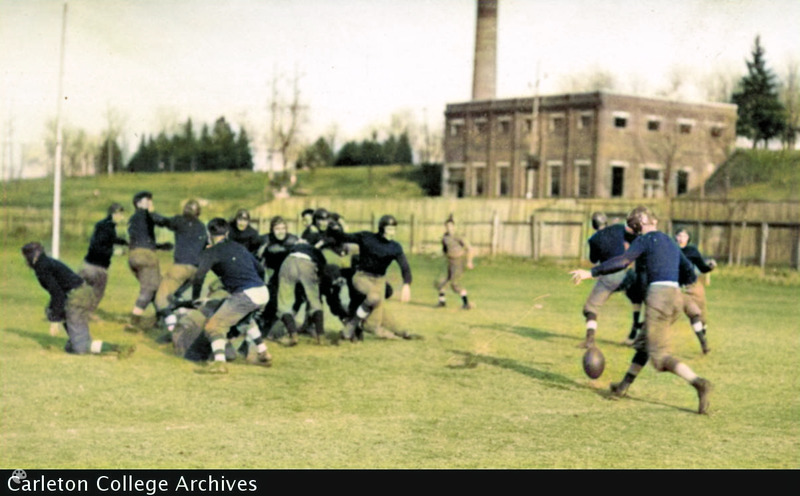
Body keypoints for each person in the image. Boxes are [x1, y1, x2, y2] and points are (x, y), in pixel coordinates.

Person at [569, 206, 712, 415]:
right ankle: (623, 386)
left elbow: (623, 261)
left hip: (659, 297)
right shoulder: (669, 241)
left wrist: (591, 272)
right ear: (644, 222)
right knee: (645, 344)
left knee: (660, 357)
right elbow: (688, 271)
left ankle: (698, 383)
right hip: (676, 297)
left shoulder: (644, 240)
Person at [22, 242, 134, 358]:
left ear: (32, 256)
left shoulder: (41, 267)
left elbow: (57, 294)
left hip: (76, 298)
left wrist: (55, 321)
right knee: (52, 311)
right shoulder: (47, 262)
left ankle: (118, 348)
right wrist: (54, 313)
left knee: (81, 347)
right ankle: (75, 340)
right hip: (83, 293)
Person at [191, 218, 271, 373]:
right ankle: (263, 353)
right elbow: (260, 269)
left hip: (246, 294)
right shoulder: (238, 246)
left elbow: (199, 276)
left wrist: (195, 298)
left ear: (209, 234)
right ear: (227, 233)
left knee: (213, 326)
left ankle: (219, 363)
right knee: (245, 319)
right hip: (263, 291)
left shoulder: (211, 251)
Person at [331, 215, 418, 341]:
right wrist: (334, 229)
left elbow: (405, 267)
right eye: (389, 229)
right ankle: (352, 324)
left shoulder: (395, 247)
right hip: (362, 277)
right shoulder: (367, 237)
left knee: (375, 322)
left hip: (380, 281)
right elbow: (345, 237)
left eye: (394, 229)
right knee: (374, 297)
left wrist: (406, 284)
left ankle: (403, 333)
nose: (392, 233)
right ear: (382, 228)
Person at [578, 212, 639, 348]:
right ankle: (634, 334)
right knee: (636, 300)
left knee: (590, 308)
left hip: (610, 276)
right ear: (606, 222)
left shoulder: (593, 239)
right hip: (628, 273)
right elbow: (632, 238)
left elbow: (594, 259)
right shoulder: (618, 228)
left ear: (593, 225)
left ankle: (590, 339)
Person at [153, 199, 209, 335]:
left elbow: (163, 221)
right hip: (196, 271)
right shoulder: (202, 227)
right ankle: (172, 319)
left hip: (180, 267)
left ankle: (173, 330)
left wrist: (150, 212)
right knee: (176, 296)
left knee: (161, 300)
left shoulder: (180, 221)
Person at [125, 191, 172, 332]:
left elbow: (140, 240)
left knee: (157, 287)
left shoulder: (134, 218)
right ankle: (133, 322)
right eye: (147, 200)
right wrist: (152, 210)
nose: (150, 202)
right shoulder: (145, 214)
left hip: (134, 256)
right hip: (146, 257)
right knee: (150, 288)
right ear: (138, 204)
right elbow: (162, 221)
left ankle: (162, 319)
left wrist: (160, 246)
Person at [254, 216, 299, 337]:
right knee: (271, 303)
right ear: (272, 229)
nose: (280, 231)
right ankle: (265, 329)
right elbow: (256, 259)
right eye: (277, 228)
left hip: (292, 277)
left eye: (283, 228)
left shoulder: (293, 240)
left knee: (281, 303)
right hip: (273, 276)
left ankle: (292, 330)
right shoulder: (265, 240)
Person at [79, 202, 128, 312]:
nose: (122, 217)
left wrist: (124, 242)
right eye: (121, 214)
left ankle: (75, 311)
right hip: (97, 268)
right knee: (97, 293)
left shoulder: (104, 225)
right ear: (114, 214)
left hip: (87, 264)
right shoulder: (108, 227)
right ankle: (88, 314)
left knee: (81, 291)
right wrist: (116, 252)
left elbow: (109, 239)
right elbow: (99, 245)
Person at [675, 228, 715, 354]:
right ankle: (704, 344)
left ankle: (703, 335)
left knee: (702, 317)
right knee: (693, 313)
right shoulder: (671, 250)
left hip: (694, 286)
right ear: (675, 237)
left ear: (688, 238)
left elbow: (702, 268)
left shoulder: (692, 251)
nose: (681, 238)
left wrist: (710, 267)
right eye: (679, 235)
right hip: (679, 289)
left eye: (684, 235)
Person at [436, 214, 474, 309]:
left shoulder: (458, 237)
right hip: (449, 262)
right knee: (443, 281)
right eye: (447, 226)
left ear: (453, 226)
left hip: (458, 262)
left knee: (454, 283)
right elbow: (445, 249)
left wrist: (469, 261)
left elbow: (469, 248)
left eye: (450, 226)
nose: (449, 228)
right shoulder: (445, 238)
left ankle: (466, 303)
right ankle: (442, 302)